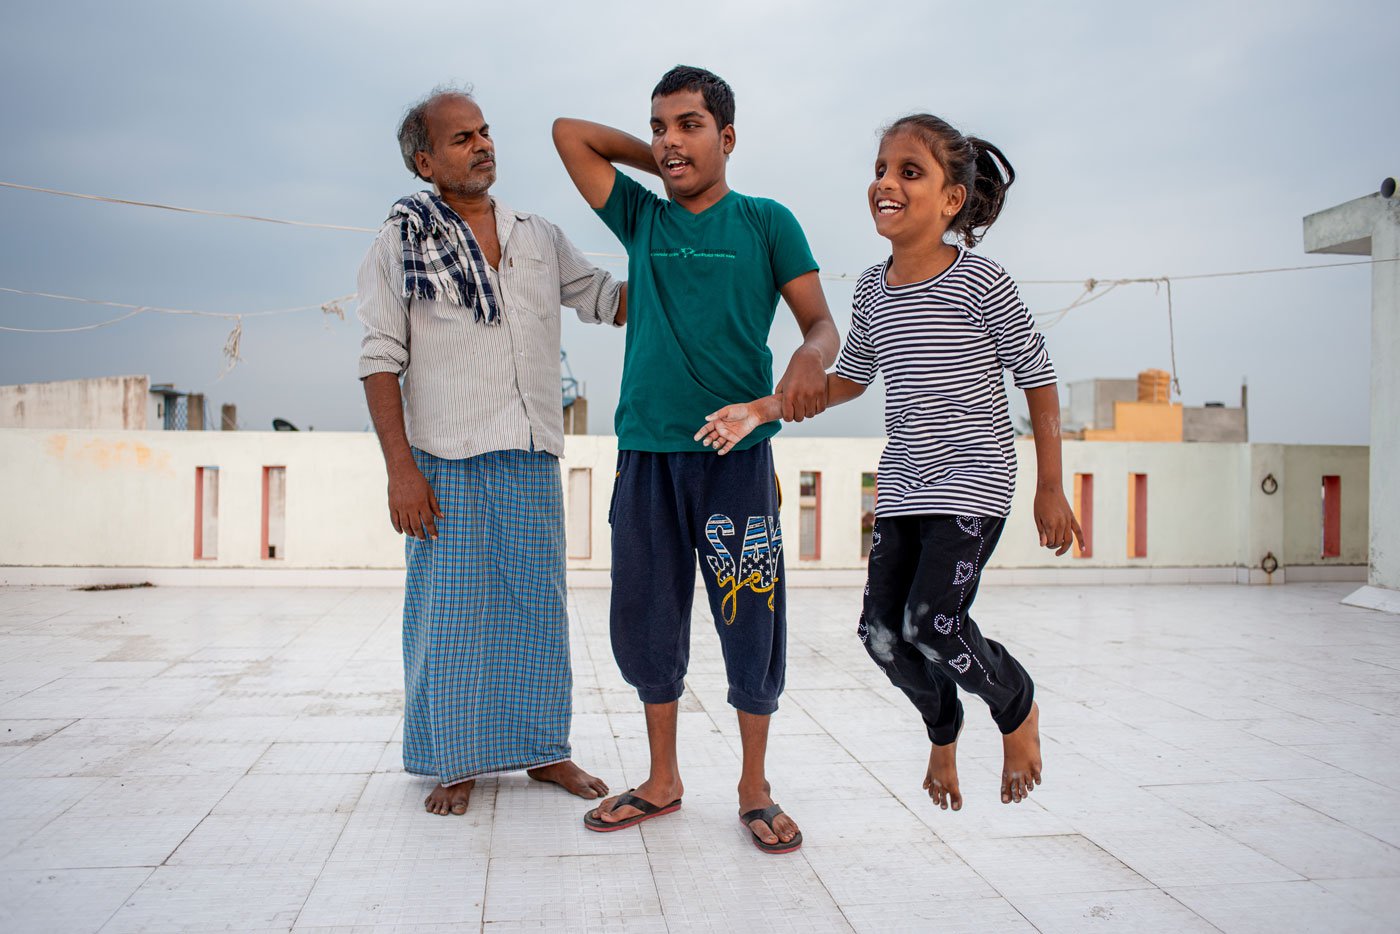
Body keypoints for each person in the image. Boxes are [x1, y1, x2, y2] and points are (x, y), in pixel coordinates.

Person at [696, 113, 1082, 812]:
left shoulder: (984, 283)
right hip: (905, 484)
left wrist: (1050, 485)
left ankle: (1015, 707)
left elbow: (1038, 375)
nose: (886, 183)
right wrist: (764, 408)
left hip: (975, 482)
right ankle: (944, 729)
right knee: (881, 636)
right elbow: (851, 377)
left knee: (933, 622)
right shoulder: (873, 289)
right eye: (881, 169)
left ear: (951, 201)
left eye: (909, 172)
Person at [552, 65, 839, 853]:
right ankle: (662, 779)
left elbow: (820, 326)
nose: (668, 140)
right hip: (647, 456)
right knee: (647, 619)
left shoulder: (766, 222)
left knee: (752, 619)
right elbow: (567, 136)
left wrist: (811, 359)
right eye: (658, 127)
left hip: (735, 458)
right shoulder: (642, 219)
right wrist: (669, 162)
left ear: (730, 137)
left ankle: (754, 787)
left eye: (689, 125)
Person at [358, 86, 623, 816]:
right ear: (424, 160)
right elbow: (380, 360)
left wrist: (689, 276)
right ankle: (455, 757)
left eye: (484, 132)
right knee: (451, 612)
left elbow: (604, 297)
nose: (481, 145)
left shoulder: (537, 235)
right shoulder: (398, 245)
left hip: (532, 447)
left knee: (537, 606)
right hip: (444, 455)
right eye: (461, 138)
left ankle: (545, 751)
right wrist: (401, 471)